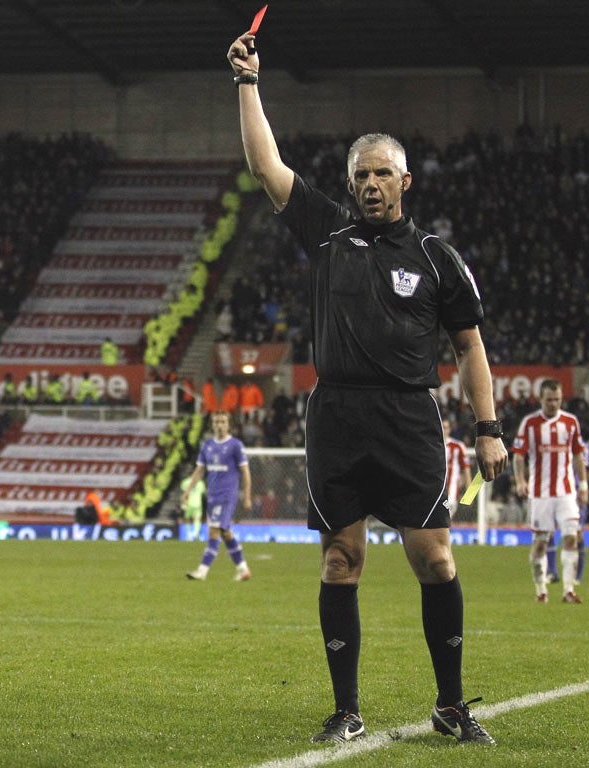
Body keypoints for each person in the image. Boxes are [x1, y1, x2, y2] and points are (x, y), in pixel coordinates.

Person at [228, 27, 508, 745]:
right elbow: (266, 164)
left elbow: (471, 347)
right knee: (340, 559)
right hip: (338, 418)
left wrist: (488, 429)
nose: (373, 184)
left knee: (435, 558)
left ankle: (450, 704)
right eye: (362, 176)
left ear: (405, 181)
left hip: (411, 417)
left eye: (384, 174)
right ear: (352, 186)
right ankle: (346, 709)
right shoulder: (327, 233)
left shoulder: (438, 258)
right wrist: (248, 82)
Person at [510, 379, 587, 603]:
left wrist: (583, 486)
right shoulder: (530, 423)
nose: (553, 404)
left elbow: (577, 456)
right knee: (541, 543)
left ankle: (569, 590)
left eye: (557, 399)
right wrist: (520, 480)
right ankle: (541, 589)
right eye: (549, 400)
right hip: (540, 492)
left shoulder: (571, 422)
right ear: (541, 399)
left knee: (572, 538)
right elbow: (519, 455)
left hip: (566, 492)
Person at [182, 410, 252, 581]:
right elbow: (200, 470)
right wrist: (188, 490)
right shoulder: (207, 446)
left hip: (227, 495)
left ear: (228, 425)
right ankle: (243, 569)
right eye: (216, 422)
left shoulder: (235, 445)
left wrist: (247, 496)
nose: (219, 425)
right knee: (226, 533)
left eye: (222, 422)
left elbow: (245, 471)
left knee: (214, 531)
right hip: (212, 496)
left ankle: (202, 571)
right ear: (212, 425)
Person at [443, 418, 472, 517]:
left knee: (445, 520)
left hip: (451, 491)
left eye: (446, 428)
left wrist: (469, 494)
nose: (444, 430)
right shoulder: (432, 445)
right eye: (442, 427)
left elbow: (466, 468)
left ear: (450, 429)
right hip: (433, 491)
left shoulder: (458, 446)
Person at [179, 472, 206, 542]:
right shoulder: (200, 483)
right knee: (197, 519)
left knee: (187, 519)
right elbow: (203, 493)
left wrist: (183, 503)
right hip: (197, 504)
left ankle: (188, 536)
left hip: (188, 504)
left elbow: (183, 492)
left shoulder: (185, 482)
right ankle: (196, 535)